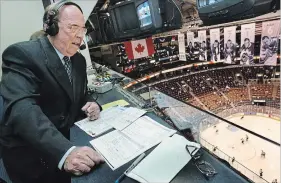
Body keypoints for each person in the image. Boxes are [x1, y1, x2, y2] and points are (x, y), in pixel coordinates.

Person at [0, 1, 104, 183]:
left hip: (64, 142)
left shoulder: (78, 61)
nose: (80, 36)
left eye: (82, 29)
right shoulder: (21, 54)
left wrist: (93, 104)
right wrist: (66, 151)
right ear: (51, 27)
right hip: (31, 153)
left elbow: (79, 94)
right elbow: (22, 108)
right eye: (73, 27)